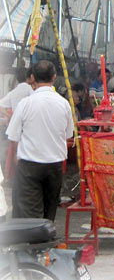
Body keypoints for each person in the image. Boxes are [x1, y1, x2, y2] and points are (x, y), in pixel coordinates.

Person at [6, 60, 74, 220]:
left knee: (29, 210)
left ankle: (34, 242)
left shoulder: (26, 103)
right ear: (54, 77)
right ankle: (46, 240)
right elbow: (68, 135)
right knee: (49, 209)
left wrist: (16, 156)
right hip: (55, 165)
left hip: (30, 165)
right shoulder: (64, 104)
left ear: (32, 78)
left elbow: (13, 136)